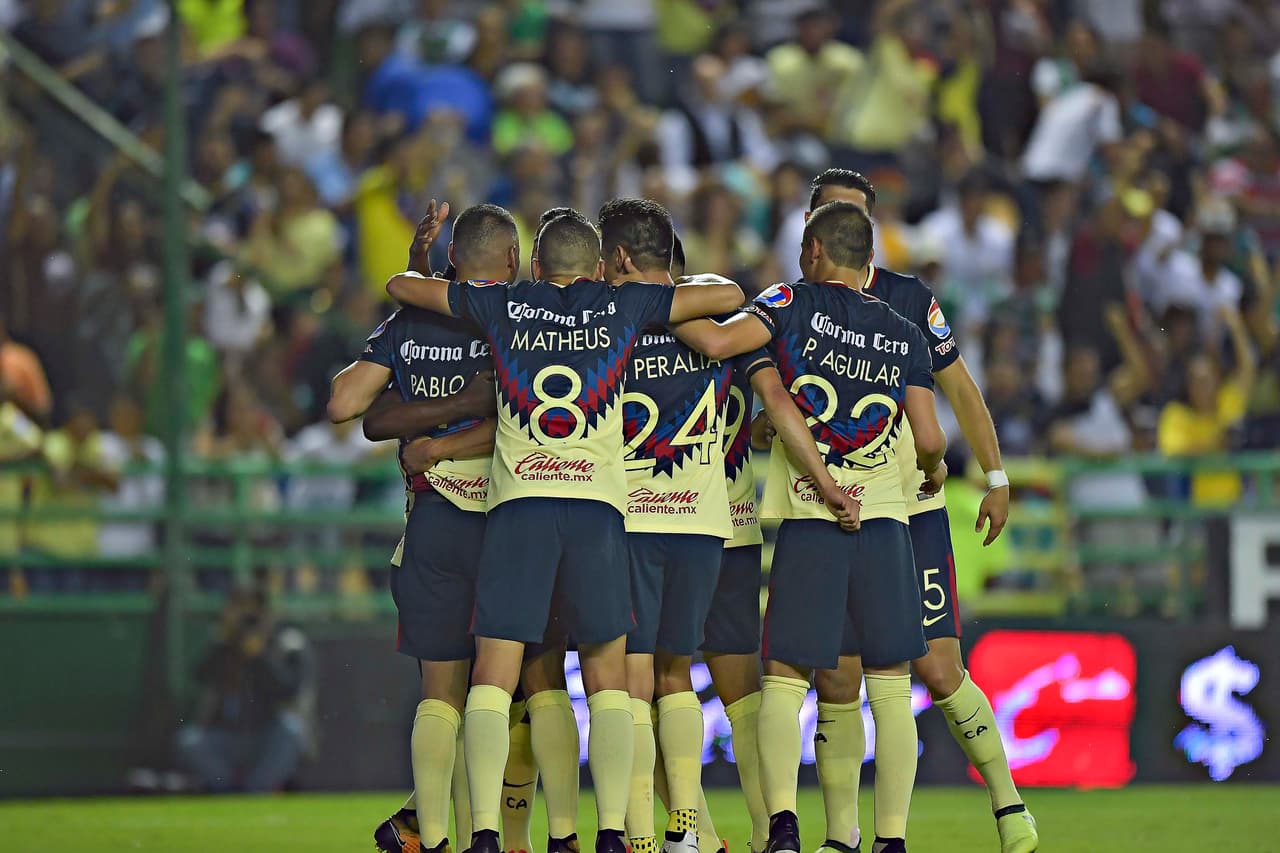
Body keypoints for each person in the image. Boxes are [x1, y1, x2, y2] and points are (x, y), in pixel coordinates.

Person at [384, 203, 747, 853]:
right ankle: (611, 832)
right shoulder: (624, 306)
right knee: (609, 676)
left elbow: (401, 289)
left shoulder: (508, 303)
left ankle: (487, 836)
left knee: (495, 673)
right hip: (599, 513)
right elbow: (730, 294)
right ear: (599, 267)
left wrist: (458, 279)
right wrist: (640, 286)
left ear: (536, 264)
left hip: (520, 505)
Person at [669, 200, 946, 853]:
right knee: (890, 686)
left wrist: (647, 303)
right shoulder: (904, 330)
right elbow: (931, 436)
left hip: (814, 521)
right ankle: (892, 838)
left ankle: (784, 827)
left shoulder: (789, 301)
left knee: (788, 679)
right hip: (884, 524)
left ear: (816, 253)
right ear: (869, 262)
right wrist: (929, 470)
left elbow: (715, 341)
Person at [596, 199, 855, 853]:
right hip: (724, 528)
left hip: (646, 521)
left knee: (645, 685)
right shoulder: (733, 328)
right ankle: (772, 828)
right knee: (735, 693)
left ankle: (686, 834)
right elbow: (774, 405)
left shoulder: (618, 327)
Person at [797, 170, 1038, 853]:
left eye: (855, 216)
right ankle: (843, 835)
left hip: (911, 510)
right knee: (838, 676)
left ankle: (1007, 800)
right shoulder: (793, 305)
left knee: (934, 666)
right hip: (831, 514)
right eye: (832, 216)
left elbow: (958, 386)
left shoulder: (907, 299)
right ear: (812, 231)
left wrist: (994, 474)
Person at [328, 203, 512, 853]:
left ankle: (425, 831)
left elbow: (346, 404)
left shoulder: (406, 323)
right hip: (509, 522)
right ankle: (491, 836)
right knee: (502, 692)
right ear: (512, 263)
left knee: (441, 693)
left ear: (452, 260)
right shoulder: (518, 317)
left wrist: (422, 414)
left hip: (432, 520)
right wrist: (467, 407)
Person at [176, 587, 315, 793]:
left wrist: (259, 656)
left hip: (268, 732)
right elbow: (200, 674)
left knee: (292, 731)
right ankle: (228, 789)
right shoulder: (224, 642)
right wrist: (226, 640)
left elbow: (289, 689)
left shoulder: (286, 641)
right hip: (227, 734)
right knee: (189, 740)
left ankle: (256, 790)